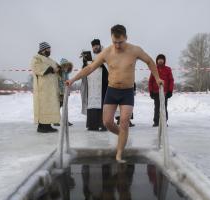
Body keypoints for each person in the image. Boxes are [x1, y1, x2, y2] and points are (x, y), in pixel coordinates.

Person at [67, 25, 164, 162]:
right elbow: (90, 68)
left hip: (127, 92)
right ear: (111, 38)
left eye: (120, 42)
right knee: (107, 122)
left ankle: (119, 153)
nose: (117, 45)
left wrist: (157, 77)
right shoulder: (107, 52)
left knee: (124, 122)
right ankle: (123, 135)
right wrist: (72, 79)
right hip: (112, 91)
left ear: (126, 38)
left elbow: (149, 61)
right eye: (114, 42)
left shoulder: (135, 50)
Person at [31, 41, 61, 133]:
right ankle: (42, 127)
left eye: (50, 49)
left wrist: (61, 68)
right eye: (48, 49)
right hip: (42, 89)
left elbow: (58, 67)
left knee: (50, 107)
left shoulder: (50, 60)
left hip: (51, 89)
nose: (50, 51)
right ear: (43, 50)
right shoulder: (37, 58)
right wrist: (51, 69)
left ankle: (47, 125)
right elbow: (37, 68)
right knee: (43, 107)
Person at [83, 39, 109, 131]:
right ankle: (91, 125)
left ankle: (103, 124)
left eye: (97, 46)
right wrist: (85, 62)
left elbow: (108, 68)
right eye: (94, 46)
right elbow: (85, 69)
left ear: (100, 46)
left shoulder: (105, 55)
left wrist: (100, 64)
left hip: (102, 85)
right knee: (92, 104)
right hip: (91, 85)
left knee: (103, 104)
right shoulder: (90, 56)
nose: (95, 47)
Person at [149, 54, 174, 127]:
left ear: (164, 61)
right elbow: (151, 81)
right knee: (157, 107)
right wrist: (151, 91)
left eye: (161, 59)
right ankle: (156, 121)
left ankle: (164, 121)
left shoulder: (168, 69)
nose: (160, 61)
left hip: (165, 92)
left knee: (164, 107)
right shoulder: (154, 69)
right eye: (159, 59)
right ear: (157, 61)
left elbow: (171, 80)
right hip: (156, 92)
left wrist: (170, 91)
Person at [54, 58, 74, 127]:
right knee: (58, 106)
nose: (66, 67)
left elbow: (67, 82)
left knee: (65, 107)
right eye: (65, 66)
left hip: (65, 92)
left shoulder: (66, 73)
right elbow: (58, 82)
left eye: (67, 66)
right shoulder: (59, 73)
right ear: (62, 66)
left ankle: (65, 121)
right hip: (60, 93)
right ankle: (55, 120)